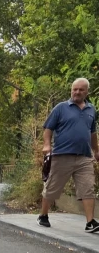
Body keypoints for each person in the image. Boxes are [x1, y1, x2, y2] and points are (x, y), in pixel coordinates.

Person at [38, 77, 99, 232]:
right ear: (71, 90)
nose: (77, 92)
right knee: (52, 187)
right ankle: (43, 215)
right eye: (75, 89)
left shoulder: (91, 110)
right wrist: (46, 145)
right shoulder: (60, 108)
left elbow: (92, 133)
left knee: (88, 189)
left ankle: (90, 222)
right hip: (62, 155)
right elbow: (48, 128)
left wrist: (96, 150)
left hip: (84, 157)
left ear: (87, 92)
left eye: (81, 90)